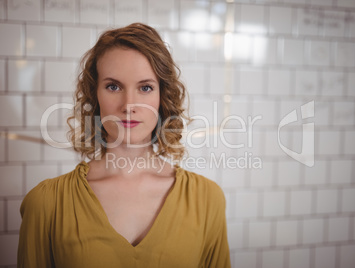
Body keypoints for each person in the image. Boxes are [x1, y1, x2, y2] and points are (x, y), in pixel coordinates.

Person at [17, 23, 231, 268]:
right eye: (113, 86)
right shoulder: (47, 204)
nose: (129, 104)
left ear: (163, 97)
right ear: (94, 95)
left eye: (145, 87)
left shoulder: (206, 199)